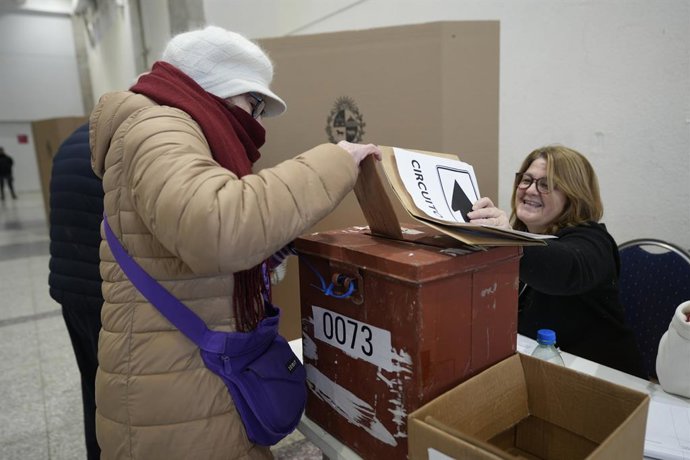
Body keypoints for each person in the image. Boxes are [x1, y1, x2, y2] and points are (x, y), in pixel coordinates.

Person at [89, 25, 382, 460]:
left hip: (180, 374)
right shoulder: (160, 126)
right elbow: (217, 228)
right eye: (254, 103)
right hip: (175, 394)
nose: (257, 122)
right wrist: (332, 162)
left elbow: (177, 240)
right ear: (219, 88)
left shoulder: (164, 124)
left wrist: (272, 245)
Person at [468, 145, 645, 378]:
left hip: (605, 380)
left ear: (574, 196)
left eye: (546, 185)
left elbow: (566, 268)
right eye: (526, 180)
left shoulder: (594, 241)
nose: (530, 190)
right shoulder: (522, 236)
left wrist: (506, 238)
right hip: (541, 368)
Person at [48, 122, 103, 460]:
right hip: (104, 294)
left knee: (94, 388)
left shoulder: (73, 140)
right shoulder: (129, 142)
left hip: (70, 288)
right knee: (121, 398)